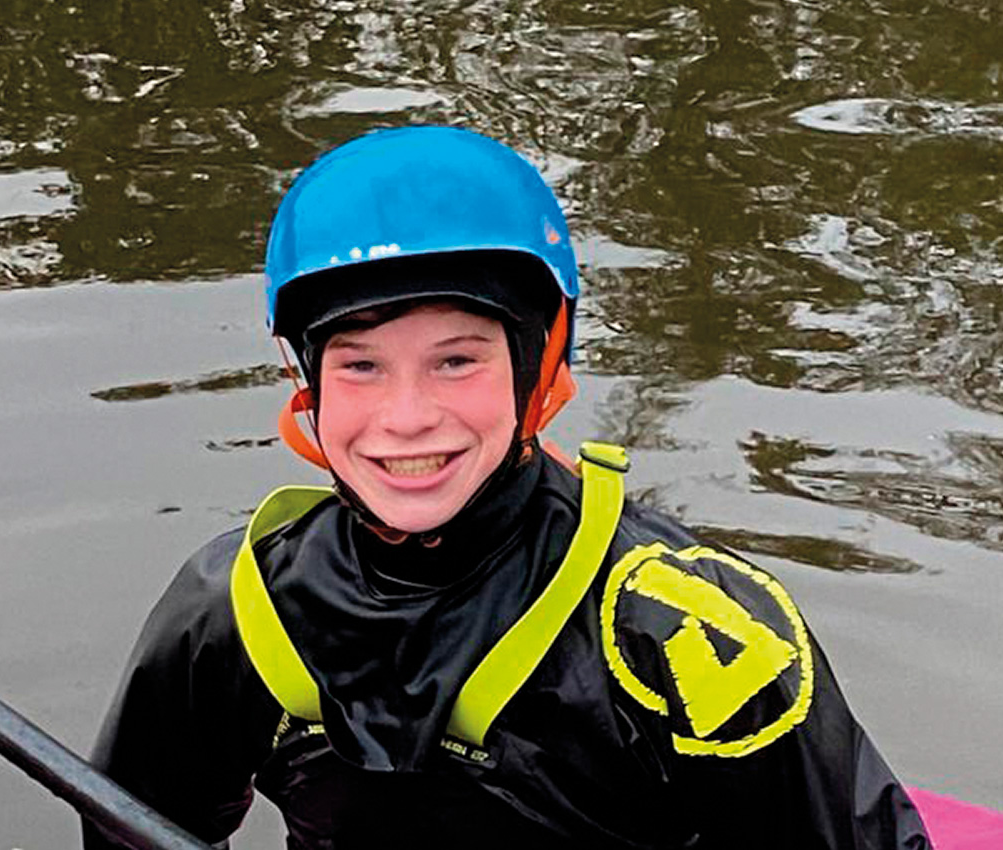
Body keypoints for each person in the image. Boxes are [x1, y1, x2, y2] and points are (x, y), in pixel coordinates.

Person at [82, 126, 930, 849]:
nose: (406, 419)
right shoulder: (233, 611)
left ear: (541, 362)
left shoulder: (690, 635)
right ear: (306, 380)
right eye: (360, 366)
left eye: (457, 360)